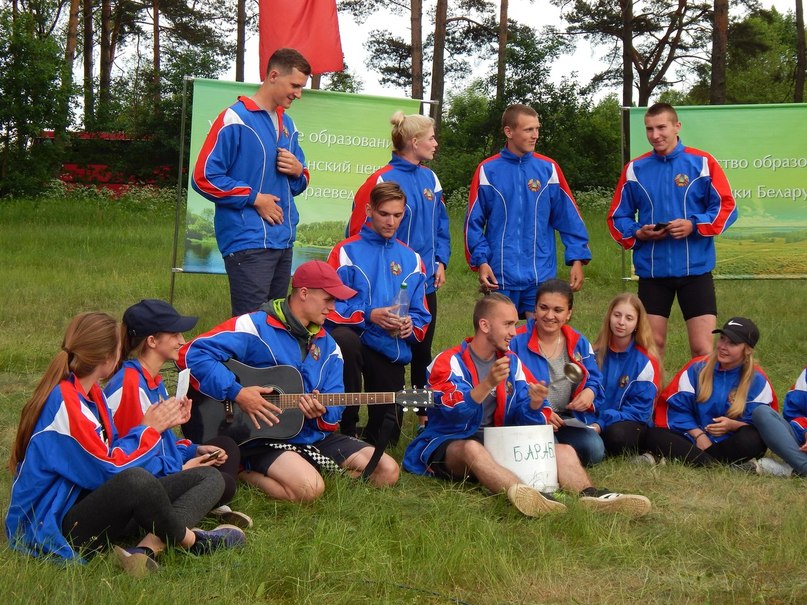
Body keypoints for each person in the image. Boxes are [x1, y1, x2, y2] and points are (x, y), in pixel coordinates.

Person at [5, 313, 245, 577]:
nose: (181, 340)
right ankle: (193, 541)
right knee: (138, 481)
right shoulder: (67, 403)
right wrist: (149, 431)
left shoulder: (91, 394)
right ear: (107, 357)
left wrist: (183, 449)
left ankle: (146, 548)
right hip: (56, 523)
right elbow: (109, 470)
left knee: (209, 477)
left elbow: (113, 455)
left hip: (88, 502)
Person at [403, 294, 652, 517]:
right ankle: (526, 495)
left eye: (515, 324)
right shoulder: (448, 361)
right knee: (472, 449)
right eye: (508, 324)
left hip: (497, 441)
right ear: (485, 325)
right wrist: (486, 384)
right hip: (452, 443)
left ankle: (592, 496)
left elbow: (525, 419)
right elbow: (453, 413)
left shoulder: (512, 362)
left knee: (564, 450)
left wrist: (534, 405)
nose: (514, 332)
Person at [177, 260, 400, 503]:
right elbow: (191, 354)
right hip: (260, 437)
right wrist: (238, 392)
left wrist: (322, 412)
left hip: (312, 437)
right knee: (310, 489)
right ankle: (243, 470)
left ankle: (302, 467)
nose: (333, 308)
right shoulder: (254, 326)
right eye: (328, 299)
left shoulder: (330, 347)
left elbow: (334, 408)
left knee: (387, 471)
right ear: (303, 293)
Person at [607, 102, 738, 360]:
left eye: (661, 128)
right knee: (652, 346)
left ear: (677, 126)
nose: (655, 135)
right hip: (653, 272)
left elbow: (726, 207)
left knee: (702, 348)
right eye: (649, 129)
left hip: (695, 271)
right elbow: (617, 217)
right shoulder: (635, 169)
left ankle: (699, 388)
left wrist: (694, 224)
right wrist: (638, 232)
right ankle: (652, 388)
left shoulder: (702, 162)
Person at [105, 299, 251, 528]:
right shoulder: (130, 385)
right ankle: (181, 517)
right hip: (142, 486)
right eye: (174, 335)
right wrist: (182, 469)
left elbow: (162, 442)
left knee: (226, 446)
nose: (182, 341)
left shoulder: (152, 380)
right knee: (220, 482)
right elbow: (128, 461)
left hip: (159, 470)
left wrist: (194, 450)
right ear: (152, 341)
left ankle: (199, 502)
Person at [346, 111, 449, 426]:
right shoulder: (382, 179)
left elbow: (441, 224)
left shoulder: (430, 178)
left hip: (423, 279)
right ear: (414, 141)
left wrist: (440, 261)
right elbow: (356, 232)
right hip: (385, 283)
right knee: (382, 345)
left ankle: (423, 416)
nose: (435, 143)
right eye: (431, 138)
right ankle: (363, 418)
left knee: (421, 351)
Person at [191, 48, 311, 317]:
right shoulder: (235, 118)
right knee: (251, 325)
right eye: (295, 85)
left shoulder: (288, 124)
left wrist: (297, 171)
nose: (298, 94)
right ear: (273, 76)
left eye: (301, 87)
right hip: (248, 241)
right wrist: (255, 198)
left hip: (283, 241)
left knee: (276, 324)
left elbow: (300, 181)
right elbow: (204, 177)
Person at [327, 181, 431, 446]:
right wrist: (368, 314)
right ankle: (346, 426)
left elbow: (421, 315)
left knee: (386, 439)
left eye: (397, 215)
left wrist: (410, 326)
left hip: (388, 346)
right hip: (353, 339)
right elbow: (328, 306)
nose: (391, 222)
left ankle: (370, 432)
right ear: (369, 210)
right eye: (384, 214)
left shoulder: (413, 259)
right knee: (344, 341)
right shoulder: (345, 251)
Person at [464, 104, 591, 317]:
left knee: (541, 332)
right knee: (501, 333)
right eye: (528, 130)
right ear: (509, 131)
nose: (535, 135)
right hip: (500, 275)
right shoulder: (487, 170)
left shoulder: (549, 169)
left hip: (540, 274)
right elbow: (473, 223)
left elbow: (569, 217)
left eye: (537, 129)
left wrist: (577, 259)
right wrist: (482, 261)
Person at [646, 317, 776, 466]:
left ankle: (697, 460)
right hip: (691, 438)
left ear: (747, 350)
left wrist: (732, 425)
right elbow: (676, 409)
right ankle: (715, 463)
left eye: (732, 343)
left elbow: (761, 424)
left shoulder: (758, 380)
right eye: (722, 339)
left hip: (729, 442)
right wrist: (698, 435)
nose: (722, 346)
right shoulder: (697, 368)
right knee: (653, 435)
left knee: (754, 440)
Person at [509, 280, 606, 466]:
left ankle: (557, 451)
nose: (549, 316)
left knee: (594, 448)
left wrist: (590, 392)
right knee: (545, 452)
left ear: (569, 313)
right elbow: (508, 389)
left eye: (558, 310)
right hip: (528, 418)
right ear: (535, 309)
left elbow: (595, 378)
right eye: (543, 308)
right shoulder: (515, 341)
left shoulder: (578, 341)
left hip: (565, 420)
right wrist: (540, 411)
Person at [589, 293, 662, 457]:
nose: (621, 322)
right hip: (594, 421)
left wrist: (601, 423)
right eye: (617, 315)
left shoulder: (646, 362)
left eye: (629, 318)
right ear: (609, 317)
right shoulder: (593, 354)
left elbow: (639, 411)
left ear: (637, 324)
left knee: (616, 436)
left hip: (628, 422)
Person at [750, 367, 807, 477]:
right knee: (762, 412)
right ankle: (800, 464)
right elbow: (793, 413)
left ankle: (794, 469)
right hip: (802, 443)